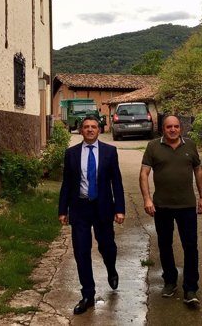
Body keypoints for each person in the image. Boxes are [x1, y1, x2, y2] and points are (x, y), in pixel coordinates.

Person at [59, 115, 126, 314]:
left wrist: (120, 209)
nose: (90, 130)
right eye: (86, 127)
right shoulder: (71, 153)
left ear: (99, 130)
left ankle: (111, 268)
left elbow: (117, 182)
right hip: (79, 208)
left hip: (103, 206)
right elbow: (67, 183)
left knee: (107, 246)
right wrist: (63, 210)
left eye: (93, 127)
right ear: (81, 130)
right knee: (81, 251)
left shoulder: (109, 152)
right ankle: (88, 294)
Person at [139, 114, 202, 306]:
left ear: (181, 129)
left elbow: (198, 171)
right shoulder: (153, 146)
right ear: (163, 129)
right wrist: (147, 198)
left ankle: (191, 288)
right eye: (169, 127)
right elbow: (144, 173)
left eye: (176, 126)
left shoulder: (190, 146)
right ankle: (170, 281)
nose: (173, 130)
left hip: (186, 205)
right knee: (165, 244)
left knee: (190, 246)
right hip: (162, 206)